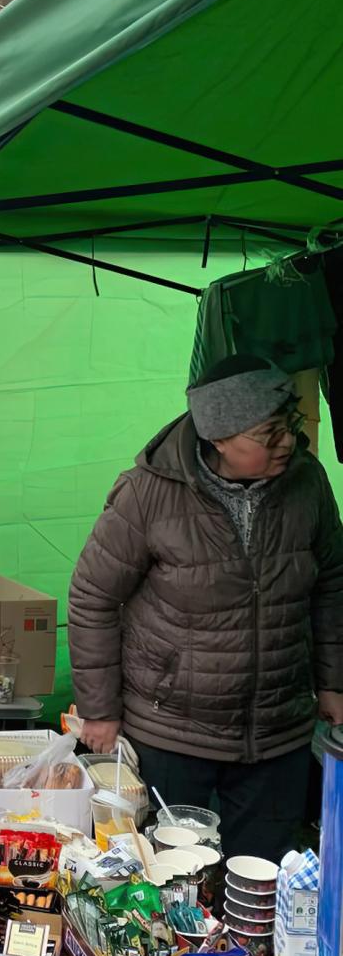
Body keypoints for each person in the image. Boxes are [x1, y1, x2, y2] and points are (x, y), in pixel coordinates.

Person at [68, 354, 343, 863]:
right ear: (218, 438)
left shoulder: (308, 482)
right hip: (173, 729)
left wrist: (333, 682)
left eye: (287, 425)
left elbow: (332, 585)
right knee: (172, 883)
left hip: (277, 729)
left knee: (263, 880)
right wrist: (99, 710)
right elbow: (94, 596)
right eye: (268, 434)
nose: (287, 442)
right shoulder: (148, 493)